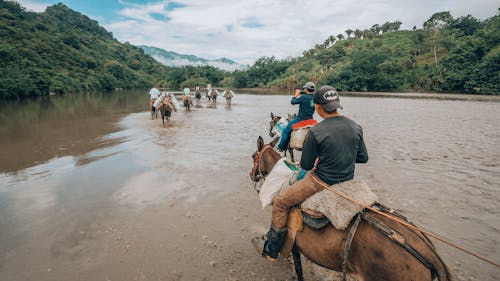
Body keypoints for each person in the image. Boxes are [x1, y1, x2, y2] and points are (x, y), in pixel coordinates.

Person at [262, 85, 369, 261]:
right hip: (347, 179)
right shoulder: (356, 126)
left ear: (318, 108)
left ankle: (272, 250)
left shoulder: (316, 132)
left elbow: (305, 165)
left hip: (321, 182)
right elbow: (363, 158)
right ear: (337, 105)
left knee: (281, 202)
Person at [276, 82, 316, 152]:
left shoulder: (303, 97)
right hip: (310, 119)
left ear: (306, 89)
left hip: (300, 119)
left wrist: (296, 95)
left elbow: (293, 102)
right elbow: (309, 99)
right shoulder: (315, 98)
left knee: (285, 131)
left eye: (304, 88)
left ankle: (281, 147)